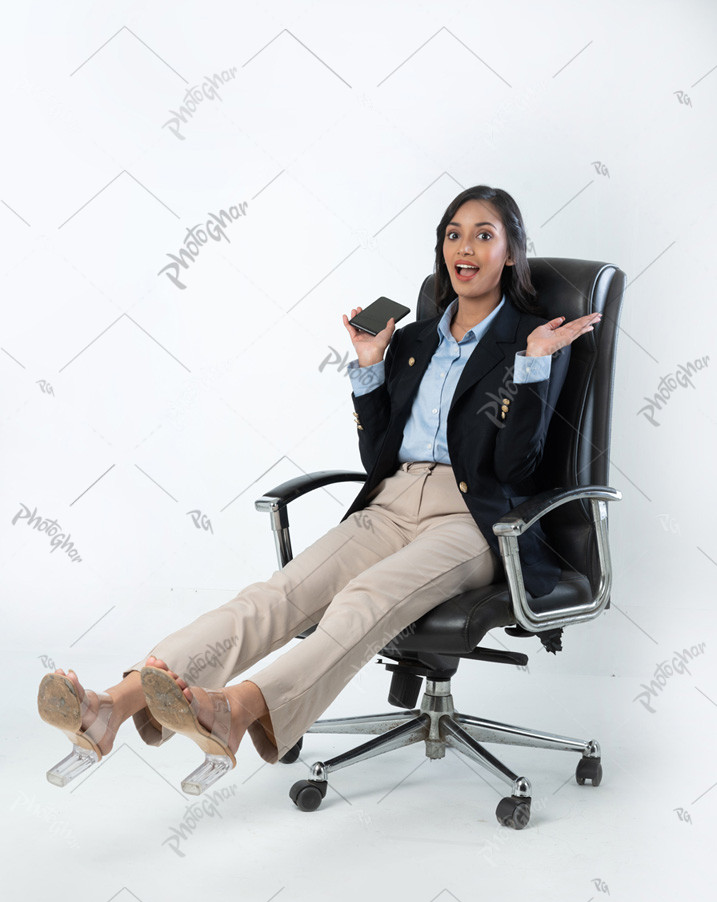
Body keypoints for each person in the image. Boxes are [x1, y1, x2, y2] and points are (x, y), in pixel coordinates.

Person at [37, 184, 600, 796]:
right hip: (390, 504)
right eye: (453, 234)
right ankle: (110, 707)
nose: (465, 248)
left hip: (473, 520)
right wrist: (366, 367)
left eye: (484, 235)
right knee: (273, 597)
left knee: (362, 598)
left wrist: (535, 365)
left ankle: (238, 709)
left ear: (512, 252)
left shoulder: (538, 338)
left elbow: (519, 468)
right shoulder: (412, 341)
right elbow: (377, 457)